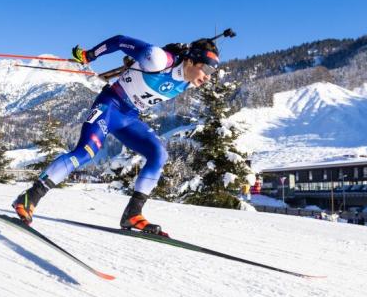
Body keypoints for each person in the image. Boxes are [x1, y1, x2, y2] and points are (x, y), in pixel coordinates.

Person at [11, 34, 222, 235]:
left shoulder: (189, 79)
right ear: (194, 62)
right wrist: (89, 55)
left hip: (129, 118)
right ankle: (30, 197)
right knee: (85, 152)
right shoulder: (158, 59)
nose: (208, 78)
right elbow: (121, 41)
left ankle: (133, 213)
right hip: (109, 107)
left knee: (159, 154)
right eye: (208, 71)